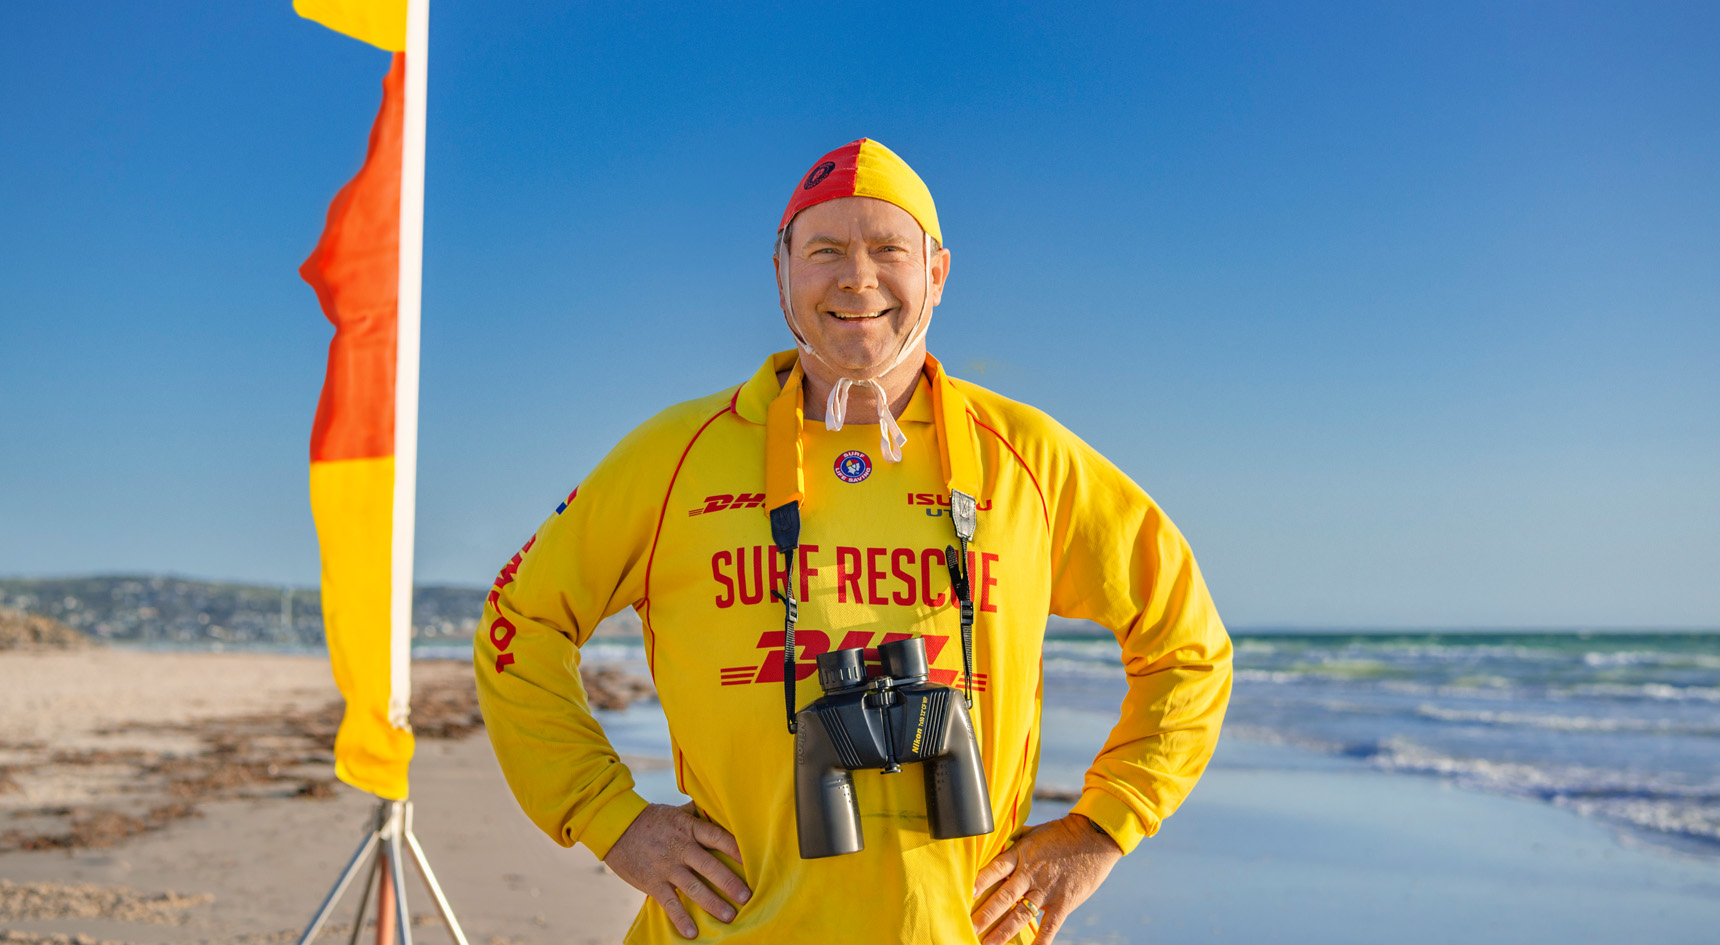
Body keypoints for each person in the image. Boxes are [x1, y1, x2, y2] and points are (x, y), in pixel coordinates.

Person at [474, 138, 1232, 945]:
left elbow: (1188, 646)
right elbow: (518, 622)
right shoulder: (677, 455)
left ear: (936, 272)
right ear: (781, 272)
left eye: (887, 250)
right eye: (825, 250)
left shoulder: (1028, 458)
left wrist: (1097, 832)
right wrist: (612, 818)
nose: (857, 278)